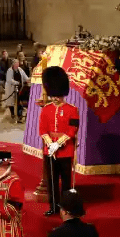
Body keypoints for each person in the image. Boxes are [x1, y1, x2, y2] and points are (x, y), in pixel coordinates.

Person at [39, 67, 79, 217]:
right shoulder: (46, 110)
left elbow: (72, 130)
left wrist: (58, 144)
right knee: (52, 181)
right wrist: (50, 144)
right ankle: (54, 207)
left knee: (66, 182)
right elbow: (42, 130)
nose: (55, 98)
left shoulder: (72, 110)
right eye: (53, 95)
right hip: (49, 150)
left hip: (65, 150)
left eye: (57, 95)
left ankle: (66, 207)